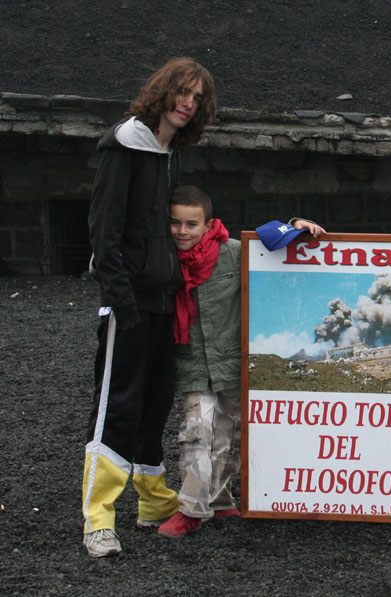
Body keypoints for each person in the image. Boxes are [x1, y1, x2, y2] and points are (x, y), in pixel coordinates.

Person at [82, 57, 216, 558]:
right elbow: (104, 230)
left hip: (163, 302)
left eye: (198, 97)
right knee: (116, 407)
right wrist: (122, 303)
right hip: (131, 304)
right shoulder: (126, 146)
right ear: (162, 92)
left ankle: (150, 499)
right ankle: (98, 516)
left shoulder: (167, 151)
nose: (188, 103)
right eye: (183, 92)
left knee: (154, 402)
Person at [157, 186, 325, 538]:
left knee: (230, 435)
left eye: (191, 224)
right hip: (191, 364)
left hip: (232, 363)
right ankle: (190, 509)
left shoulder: (231, 252)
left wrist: (297, 224)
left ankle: (219, 499)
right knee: (195, 434)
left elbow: (274, 245)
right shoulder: (159, 256)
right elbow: (103, 264)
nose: (183, 231)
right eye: (175, 223)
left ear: (207, 224)